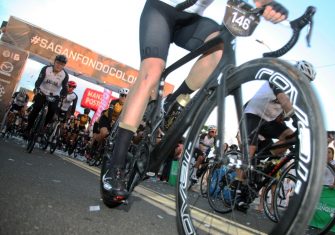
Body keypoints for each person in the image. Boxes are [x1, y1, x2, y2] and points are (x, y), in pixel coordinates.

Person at [102, 0, 289, 198]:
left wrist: (270, 6)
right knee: (152, 71)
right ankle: (116, 163)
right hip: (161, 9)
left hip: (192, 19)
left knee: (219, 48)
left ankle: (175, 99)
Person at [242, 60, 316, 212]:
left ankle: (265, 161)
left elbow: (301, 110)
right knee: (249, 155)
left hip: (268, 120)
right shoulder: (279, 78)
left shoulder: (297, 93)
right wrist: (294, 117)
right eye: (302, 78)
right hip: (253, 114)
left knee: (291, 136)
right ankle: (239, 185)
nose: (303, 82)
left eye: (307, 81)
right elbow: (284, 100)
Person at [25, 54, 69, 135]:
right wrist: (37, 87)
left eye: (62, 64)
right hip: (42, 92)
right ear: (54, 62)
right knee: (36, 108)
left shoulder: (65, 75)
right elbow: (39, 79)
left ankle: (43, 126)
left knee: (52, 110)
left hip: (54, 95)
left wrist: (63, 95)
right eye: (58, 63)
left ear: (64, 66)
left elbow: (65, 88)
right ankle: (28, 128)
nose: (59, 65)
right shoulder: (46, 69)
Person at [88, 88, 129, 156]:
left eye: (126, 96)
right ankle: (95, 139)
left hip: (115, 122)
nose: (123, 97)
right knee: (104, 133)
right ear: (119, 95)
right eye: (122, 95)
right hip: (106, 119)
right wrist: (111, 121)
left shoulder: (126, 106)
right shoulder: (114, 102)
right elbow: (110, 112)